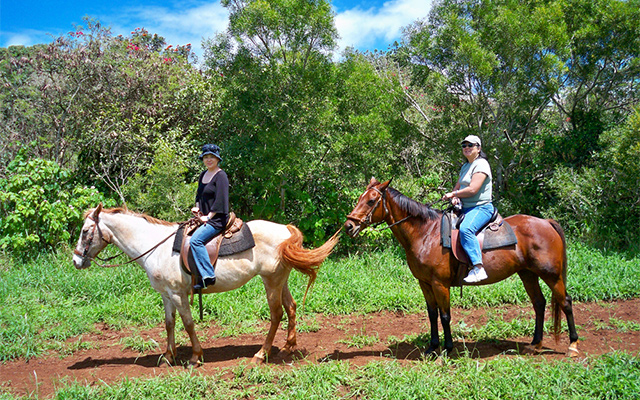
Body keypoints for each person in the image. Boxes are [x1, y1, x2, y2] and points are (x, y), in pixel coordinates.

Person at [442, 135, 494, 283]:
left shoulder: (482, 164)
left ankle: (478, 268)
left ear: (478, 148)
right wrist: (455, 197)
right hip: (464, 207)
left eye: (470, 145)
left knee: (466, 229)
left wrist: (454, 194)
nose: (466, 148)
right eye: (464, 145)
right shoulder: (465, 166)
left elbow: (472, 190)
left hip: (481, 208)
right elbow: (458, 186)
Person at [190, 143, 229, 290]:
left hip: (217, 219)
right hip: (203, 217)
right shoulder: (203, 175)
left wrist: (209, 217)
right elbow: (199, 196)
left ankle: (208, 275)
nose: (209, 160)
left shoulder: (221, 176)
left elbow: (221, 200)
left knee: (196, 241)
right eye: (206, 157)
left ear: (217, 159)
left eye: (212, 157)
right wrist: (198, 209)